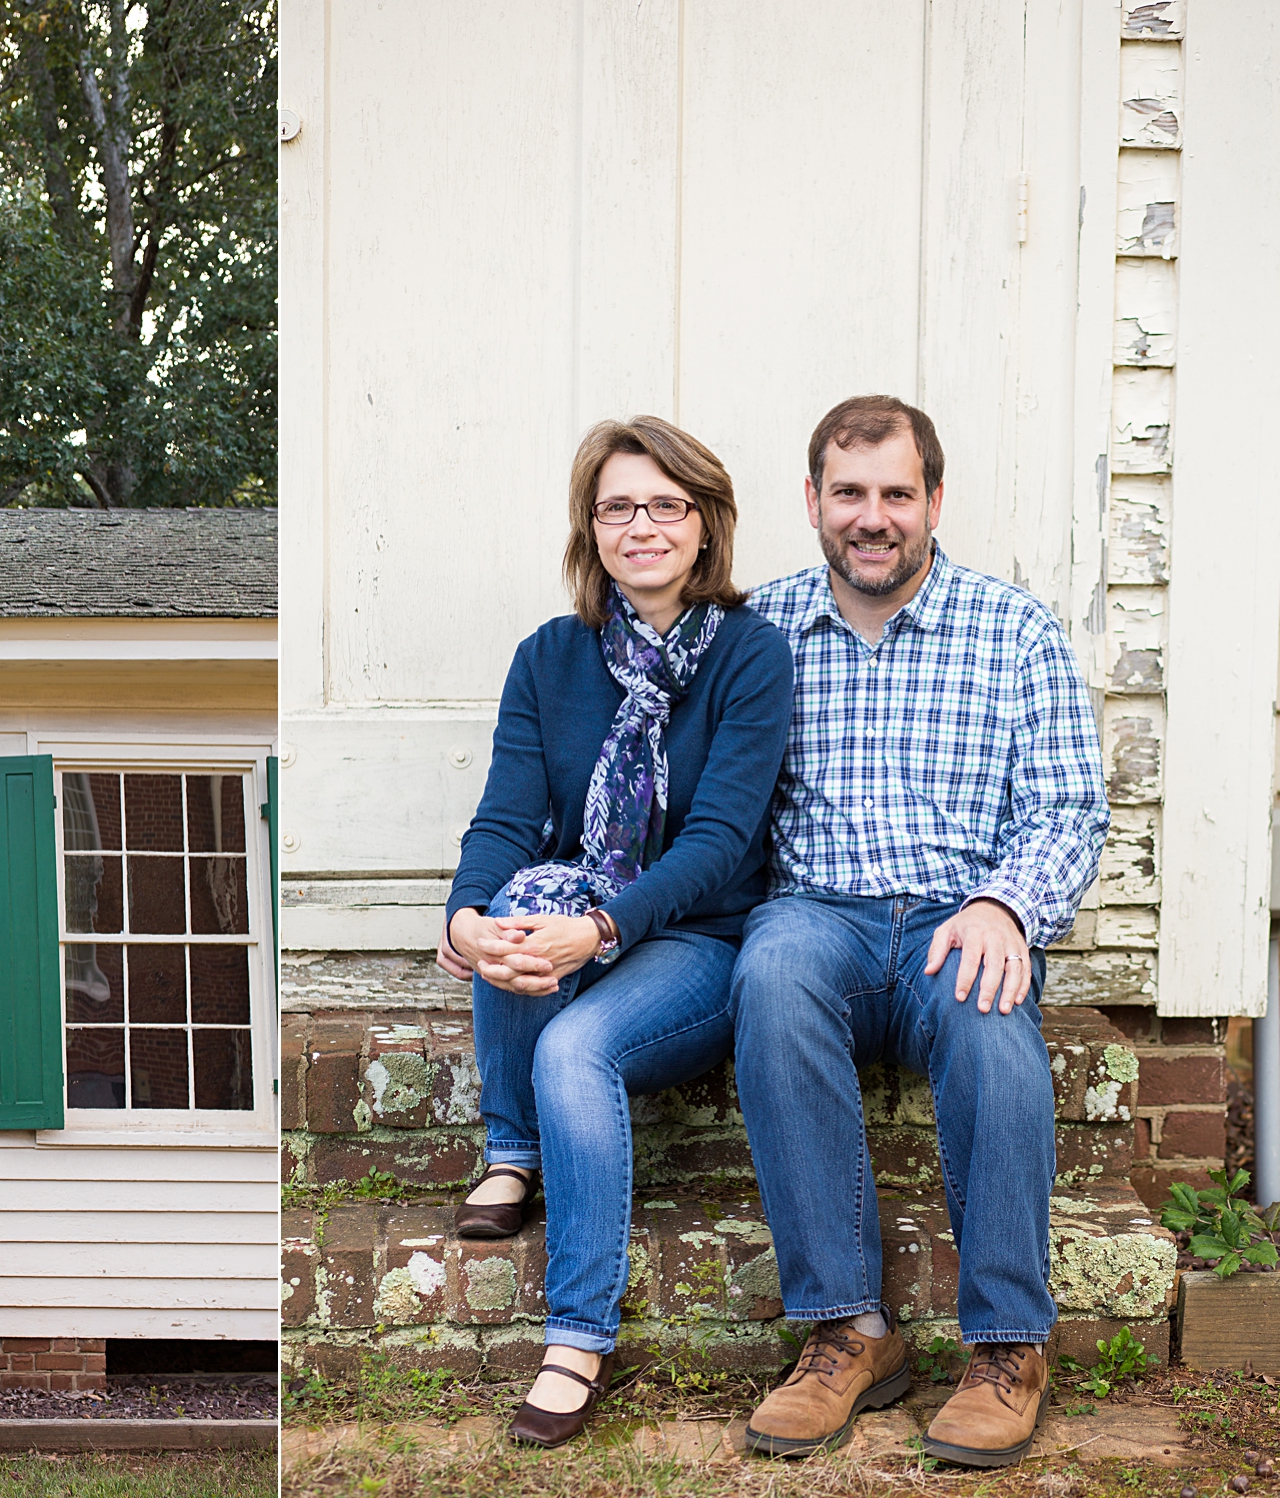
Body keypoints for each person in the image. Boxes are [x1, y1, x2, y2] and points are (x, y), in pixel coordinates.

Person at [736, 395, 1107, 1468]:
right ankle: (847, 1331)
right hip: (819, 918)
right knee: (769, 973)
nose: (872, 516)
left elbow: (1065, 808)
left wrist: (1005, 903)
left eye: (895, 493)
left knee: (992, 1023)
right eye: (847, 492)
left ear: (932, 499)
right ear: (810, 501)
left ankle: (1003, 1346)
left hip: (961, 918)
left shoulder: (1012, 628)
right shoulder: (758, 633)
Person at [434, 416, 792, 1448]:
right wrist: (463, 916)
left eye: (665, 504)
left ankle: (576, 1336)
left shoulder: (748, 658)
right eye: (616, 506)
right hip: (575, 915)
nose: (641, 526)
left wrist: (596, 929)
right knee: (511, 904)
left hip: (697, 940)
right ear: (589, 528)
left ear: (704, 522)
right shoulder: (548, 657)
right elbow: (504, 818)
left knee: (574, 1044)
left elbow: (719, 843)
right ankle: (511, 1147)